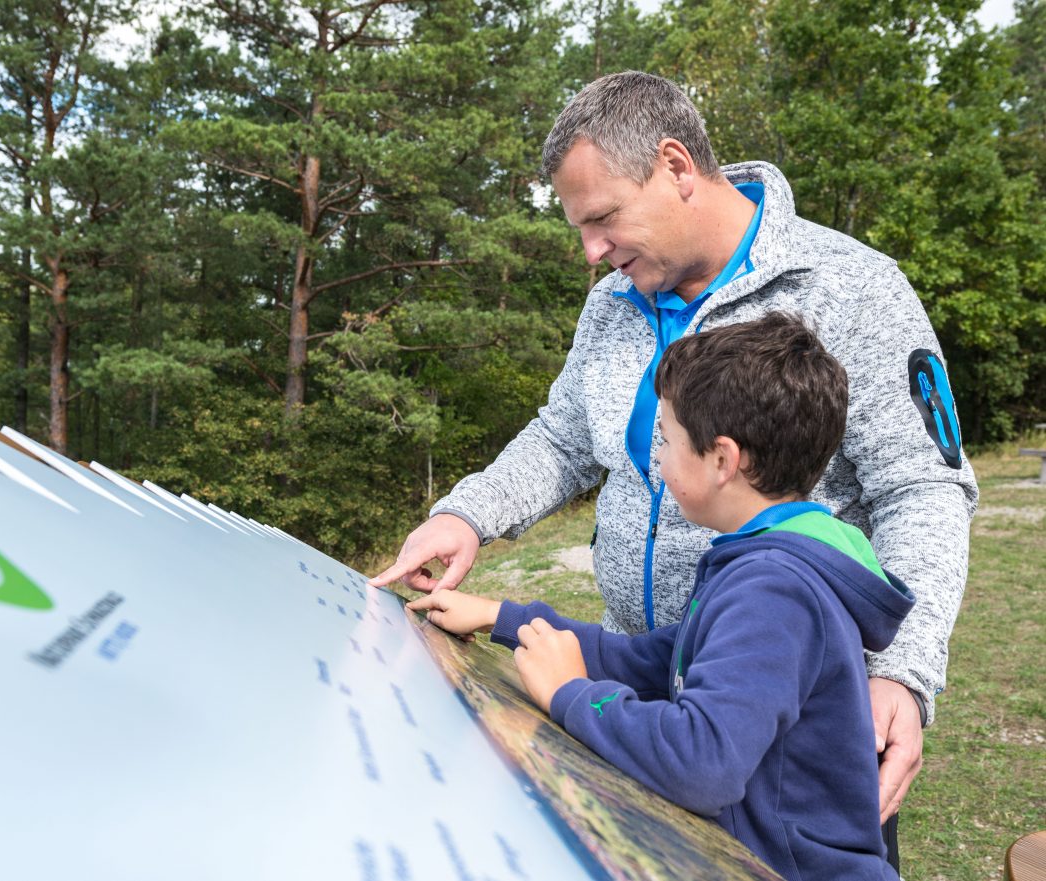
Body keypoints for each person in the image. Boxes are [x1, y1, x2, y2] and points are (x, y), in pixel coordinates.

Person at [369, 71, 978, 871]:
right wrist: (466, 514)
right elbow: (563, 437)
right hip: (650, 687)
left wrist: (902, 671)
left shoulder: (856, 288)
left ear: (676, 167)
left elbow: (923, 486)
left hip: (792, 735)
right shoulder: (612, 304)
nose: (591, 252)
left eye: (604, 219)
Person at [407, 314, 912, 880]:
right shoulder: (771, 556)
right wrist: (504, 618)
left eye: (667, 440)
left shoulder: (774, 588)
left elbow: (702, 765)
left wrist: (572, 695)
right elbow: (656, 660)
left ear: (722, 459)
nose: (658, 461)